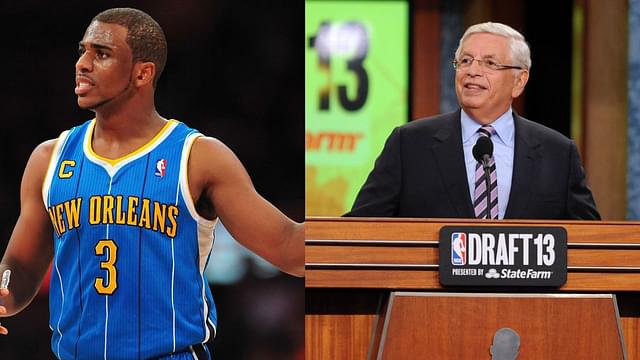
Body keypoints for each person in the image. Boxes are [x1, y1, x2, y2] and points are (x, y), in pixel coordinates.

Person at [0, 7, 303, 359]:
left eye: (101, 54)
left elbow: (288, 246)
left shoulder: (198, 157)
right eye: (82, 51)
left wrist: (368, 232)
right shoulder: (48, 159)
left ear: (143, 73)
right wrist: (3, 291)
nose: (82, 63)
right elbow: (18, 269)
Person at [346, 22, 600, 220]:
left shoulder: (557, 153)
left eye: (489, 63)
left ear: (519, 81)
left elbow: (591, 244)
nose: (472, 71)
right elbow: (359, 229)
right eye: (465, 61)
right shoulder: (410, 144)